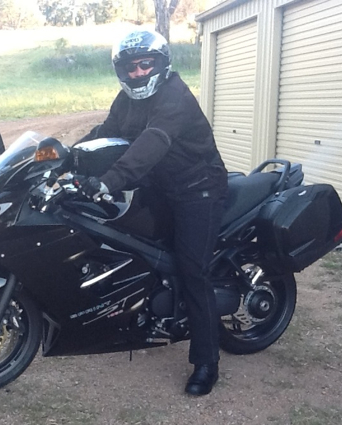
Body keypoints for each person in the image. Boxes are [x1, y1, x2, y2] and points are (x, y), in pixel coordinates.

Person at [77, 29, 228, 396]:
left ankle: (206, 362)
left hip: (198, 190)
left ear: (161, 64)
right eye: (131, 67)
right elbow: (106, 134)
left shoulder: (175, 96)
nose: (139, 73)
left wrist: (109, 181)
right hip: (159, 187)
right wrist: (67, 158)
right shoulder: (126, 99)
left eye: (146, 64)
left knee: (193, 269)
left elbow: (152, 142)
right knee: (127, 241)